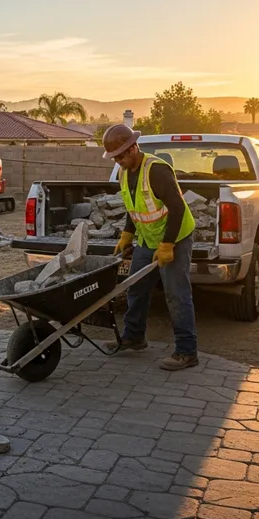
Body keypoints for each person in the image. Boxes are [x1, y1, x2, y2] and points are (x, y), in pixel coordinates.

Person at [102, 123, 199, 371]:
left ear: (133, 148)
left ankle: (187, 352)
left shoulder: (156, 171)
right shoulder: (125, 173)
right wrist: (127, 234)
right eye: (114, 158)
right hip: (147, 238)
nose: (118, 162)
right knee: (136, 287)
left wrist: (168, 245)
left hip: (175, 236)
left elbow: (177, 208)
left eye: (119, 157)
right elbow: (134, 207)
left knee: (176, 294)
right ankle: (134, 337)